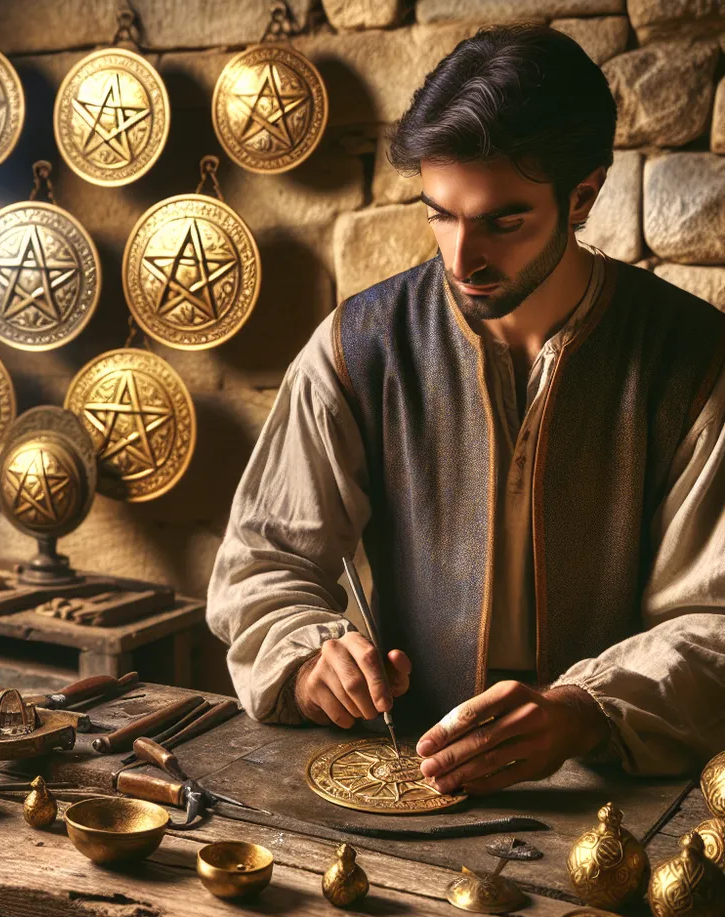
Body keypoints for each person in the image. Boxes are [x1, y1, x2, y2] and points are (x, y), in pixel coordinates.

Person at [206, 23, 725, 796]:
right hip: (406, 777)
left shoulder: (695, 359)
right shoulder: (357, 347)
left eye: (502, 222)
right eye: (440, 213)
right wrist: (310, 659)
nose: (461, 258)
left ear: (583, 197)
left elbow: (714, 620)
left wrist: (583, 711)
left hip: (618, 790)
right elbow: (262, 564)